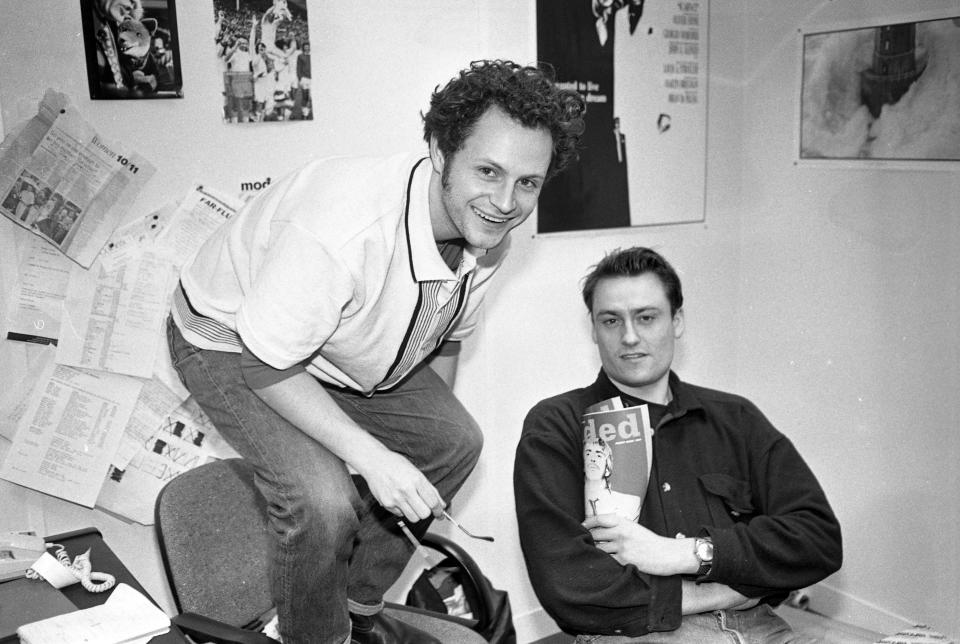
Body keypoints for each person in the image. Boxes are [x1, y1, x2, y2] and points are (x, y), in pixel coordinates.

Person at [166, 59, 584, 644]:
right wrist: (371, 455)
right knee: (321, 502)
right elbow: (266, 362)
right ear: (440, 151)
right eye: (487, 171)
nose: (505, 201)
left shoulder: (488, 232)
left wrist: (414, 452)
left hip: (334, 342)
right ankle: (314, 635)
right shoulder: (346, 228)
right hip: (230, 338)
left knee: (455, 440)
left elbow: (446, 341)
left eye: (527, 183)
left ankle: (357, 613)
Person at [514, 247, 842, 642]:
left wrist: (683, 554)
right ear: (593, 329)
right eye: (611, 320)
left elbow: (818, 539)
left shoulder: (735, 418)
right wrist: (732, 588)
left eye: (647, 317)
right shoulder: (558, 424)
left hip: (762, 630)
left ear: (678, 321)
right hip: (642, 635)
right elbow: (569, 588)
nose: (630, 337)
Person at [583, 437, 641, 521]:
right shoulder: (570, 502)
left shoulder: (630, 502)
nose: (592, 459)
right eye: (587, 454)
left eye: (599, 455)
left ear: (607, 468)